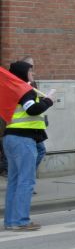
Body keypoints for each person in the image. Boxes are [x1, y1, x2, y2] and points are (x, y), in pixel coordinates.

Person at [3, 61, 54, 231]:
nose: (33, 74)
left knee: (15, 181)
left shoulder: (13, 89)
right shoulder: (25, 90)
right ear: (24, 72)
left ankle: (11, 221)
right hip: (23, 140)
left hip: (11, 138)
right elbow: (32, 110)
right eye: (31, 71)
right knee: (26, 181)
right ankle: (21, 221)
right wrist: (48, 101)